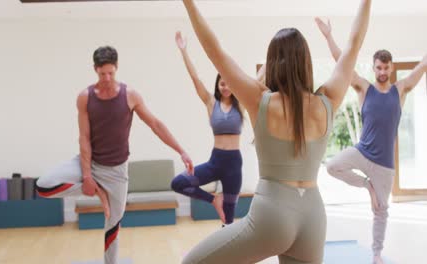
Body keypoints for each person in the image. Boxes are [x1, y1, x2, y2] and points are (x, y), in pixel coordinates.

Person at [180, 0, 372, 263]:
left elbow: (214, 50)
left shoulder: (260, 100)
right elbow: (354, 43)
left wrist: (188, 3)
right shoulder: (327, 101)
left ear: (272, 62)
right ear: (305, 62)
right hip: (313, 215)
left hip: (273, 213)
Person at [36, 46, 194, 264]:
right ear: (95, 70)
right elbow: (84, 138)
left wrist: (181, 150)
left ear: (117, 68)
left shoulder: (130, 96)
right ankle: (99, 192)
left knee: (112, 225)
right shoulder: (85, 97)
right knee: (43, 187)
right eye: (102, 74)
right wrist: (88, 178)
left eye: (111, 73)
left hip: (117, 172)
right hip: (90, 163)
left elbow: (155, 125)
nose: (107, 78)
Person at [316, 17, 427, 264]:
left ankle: (377, 253)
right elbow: (342, 63)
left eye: (386, 68)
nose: (383, 72)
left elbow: (422, 65)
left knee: (381, 211)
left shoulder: (401, 89)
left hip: (385, 165)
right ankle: (367, 186)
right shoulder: (364, 88)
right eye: (378, 67)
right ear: (374, 67)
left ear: (391, 68)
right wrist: (328, 37)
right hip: (362, 153)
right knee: (333, 166)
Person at [170, 31, 245, 226]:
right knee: (179, 183)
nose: (225, 86)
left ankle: (227, 253)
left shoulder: (242, 103)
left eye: (229, 82)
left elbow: (259, 78)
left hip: (234, 164)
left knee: (228, 219)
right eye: (222, 83)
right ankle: (214, 200)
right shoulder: (211, 102)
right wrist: (184, 51)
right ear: (218, 85)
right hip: (216, 161)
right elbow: (195, 78)